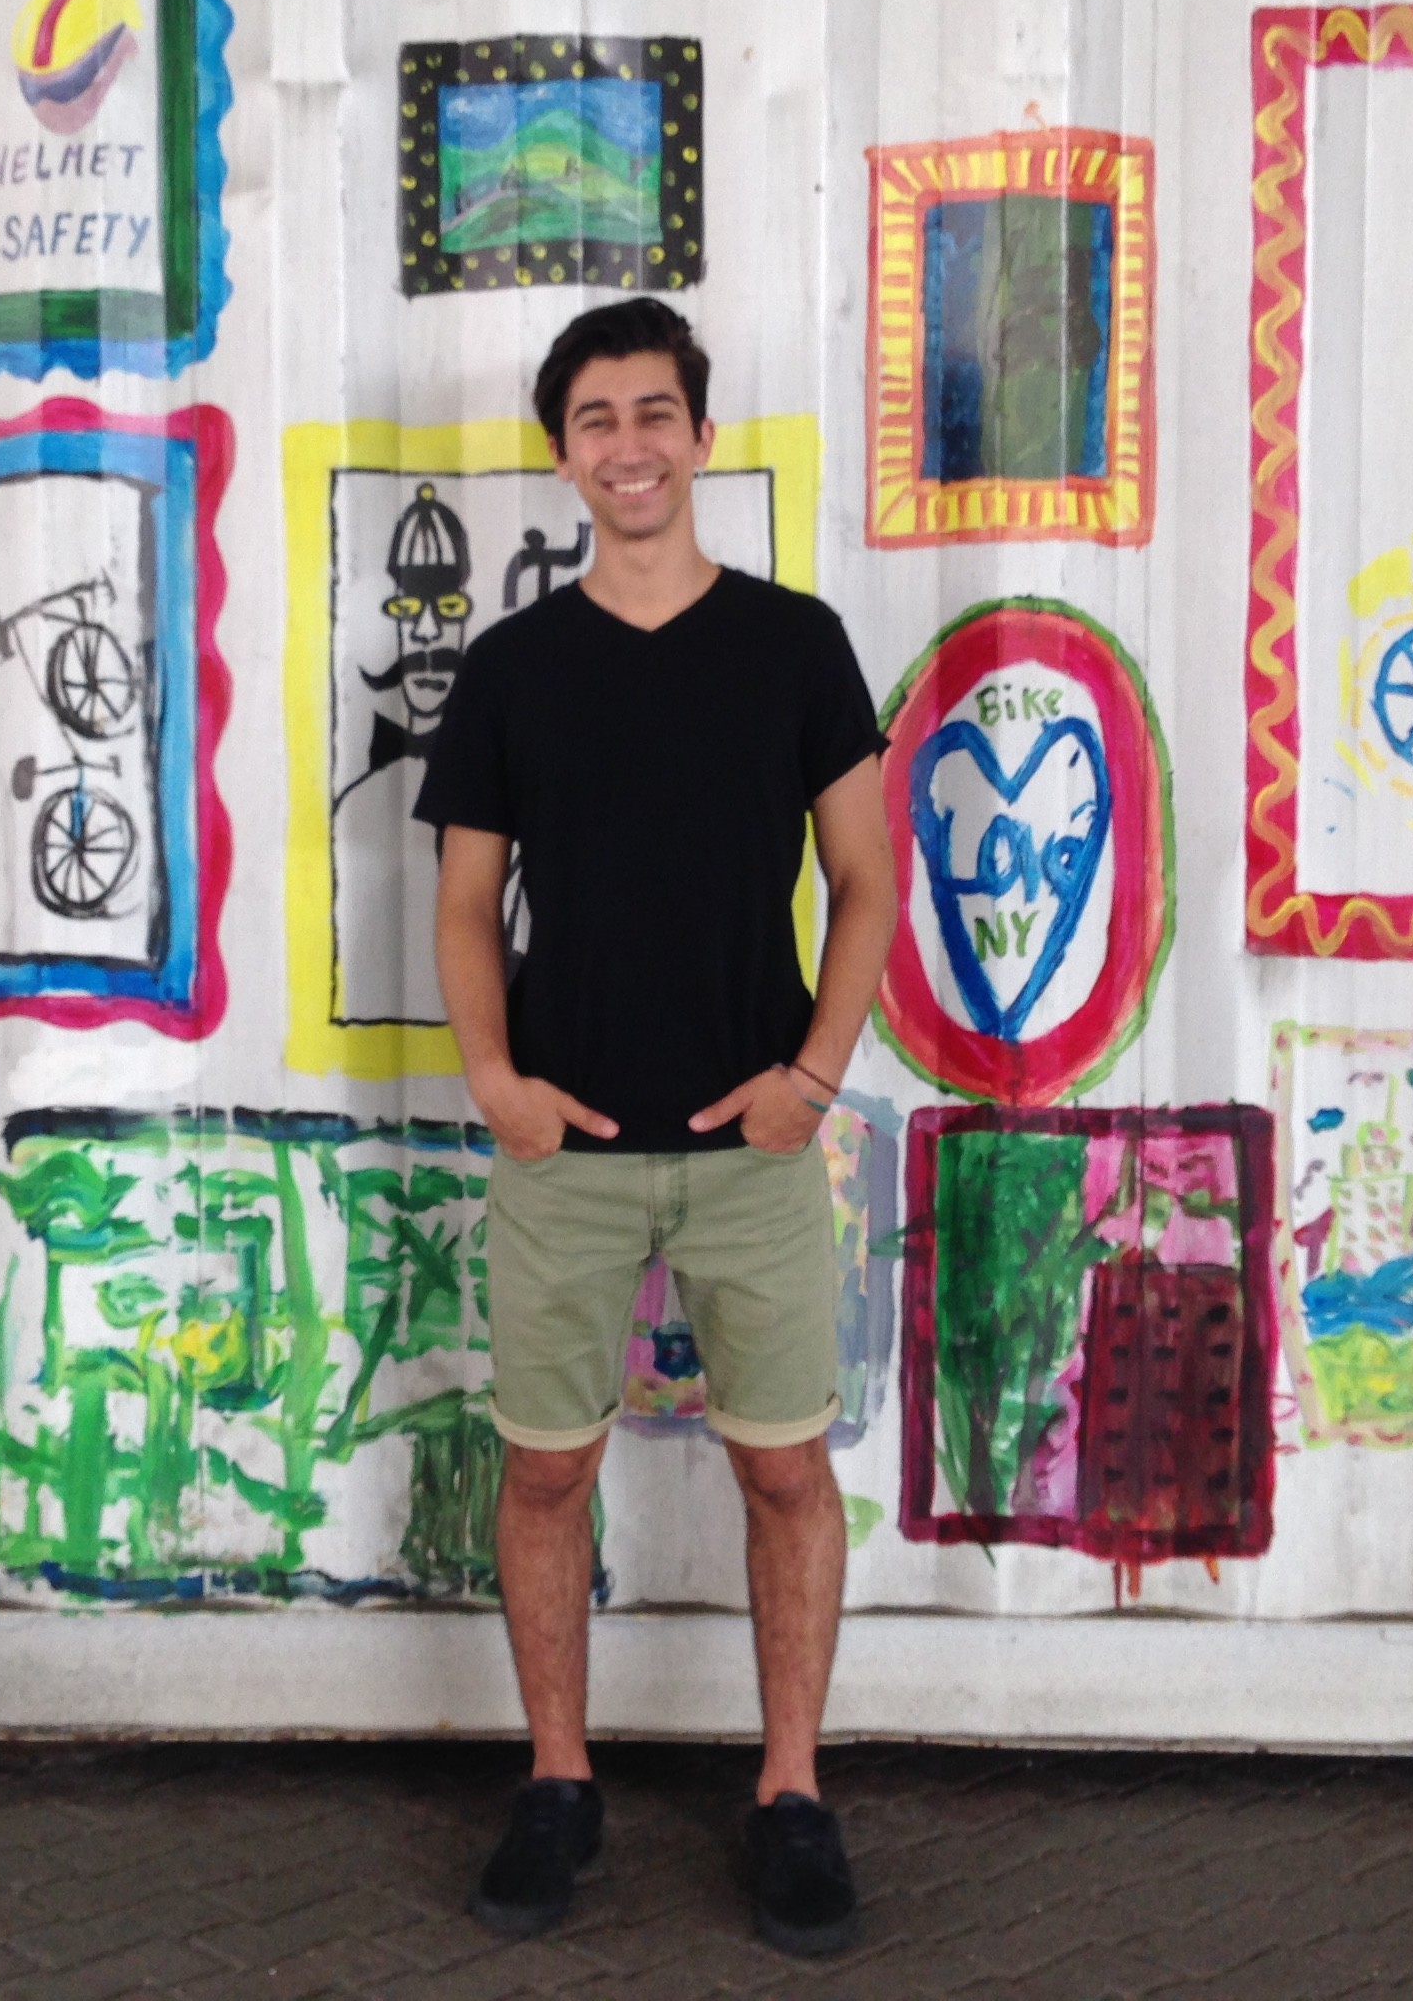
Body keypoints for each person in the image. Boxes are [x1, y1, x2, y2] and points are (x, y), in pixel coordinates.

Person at [417, 297, 897, 1957]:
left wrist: (811, 1078)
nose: (625, 441)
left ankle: (786, 1792)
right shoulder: (510, 667)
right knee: (545, 1472)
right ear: (562, 450)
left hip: (752, 1146)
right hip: (564, 1147)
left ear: (700, 433)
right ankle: (557, 1779)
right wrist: (493, 1078)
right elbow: (466, 899)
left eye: (653, 410)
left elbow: (862, 880)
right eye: (593, 416)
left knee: (783, 1468)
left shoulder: (791, 643)